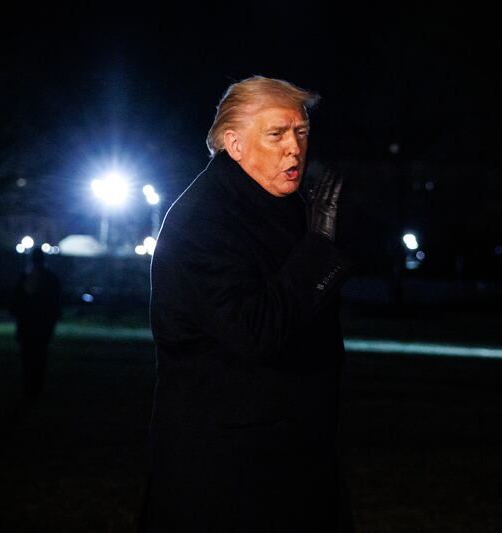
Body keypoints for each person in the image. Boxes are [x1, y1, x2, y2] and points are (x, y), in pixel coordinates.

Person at [139, 75, 355, 532]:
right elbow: (255, 331)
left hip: (289, 459)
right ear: (233, 144)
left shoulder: (281, 206)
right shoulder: (203, 221)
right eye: (276, 134)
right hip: (228, 475)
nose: (293, 149)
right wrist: (316, 248)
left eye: (300, 133)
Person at [10, 247, 62, 398]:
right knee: (40, 355)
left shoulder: (25, 277)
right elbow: (56, 302)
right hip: (42, 324)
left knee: (28, 356)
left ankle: (29, 384)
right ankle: (36, 385)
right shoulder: (50, 278)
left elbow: (16, 300)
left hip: (27, 323)